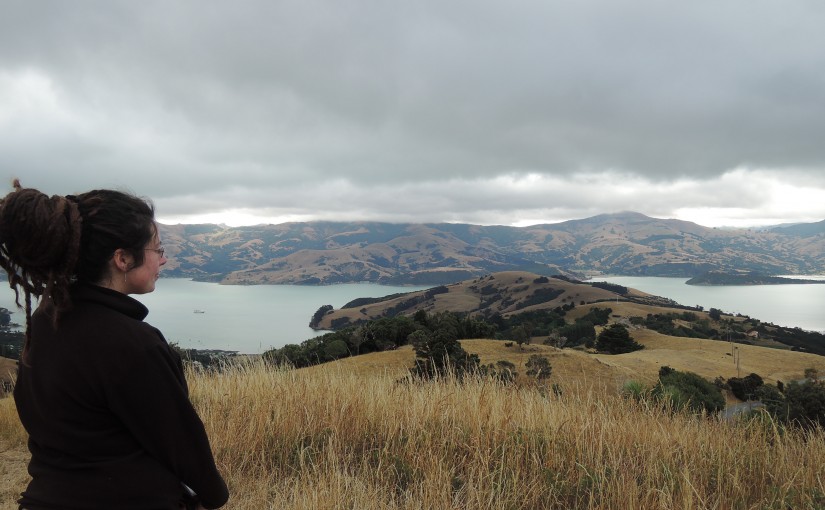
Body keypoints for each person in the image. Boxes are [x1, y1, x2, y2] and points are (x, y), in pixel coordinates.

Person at [0, 180, 229, 510]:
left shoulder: (45, 321)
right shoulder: (133, 345)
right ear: (122, 258)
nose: (162, 260)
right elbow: (182, 447)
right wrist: (215, 496)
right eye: (157, 250)